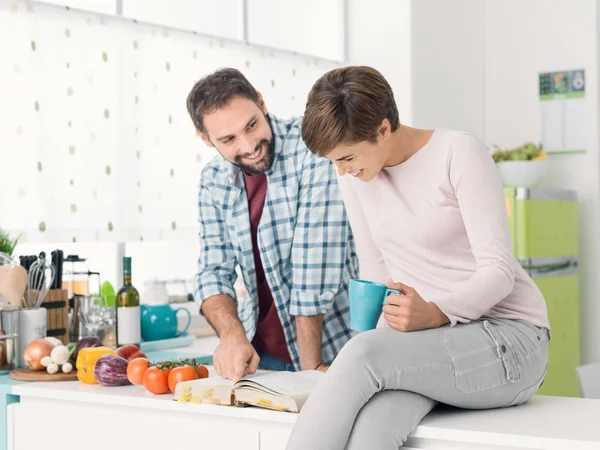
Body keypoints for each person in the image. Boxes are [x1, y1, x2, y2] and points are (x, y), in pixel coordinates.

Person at [286, 66, 550, 449]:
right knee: (371, 431)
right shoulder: (356, 178)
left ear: (382, 129)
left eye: (347, 158)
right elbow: (377, 273)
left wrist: (437, 312)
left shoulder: (458, 153)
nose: (342, 170)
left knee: (361, 353)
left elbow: (499, 271)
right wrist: (378, 352)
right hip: (433, 343)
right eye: (335, 162)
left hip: (511, 338)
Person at [185, 68, 358, 382]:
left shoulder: (312, 148)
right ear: (205, 139)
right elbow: (213, 271)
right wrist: (232, 335)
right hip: (262, 357)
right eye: (228, 139)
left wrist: (310, 370)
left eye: (251, 125)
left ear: (261, 102)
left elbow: (313, 264)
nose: (249, 145)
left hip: (330, 350)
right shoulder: (212, 181)